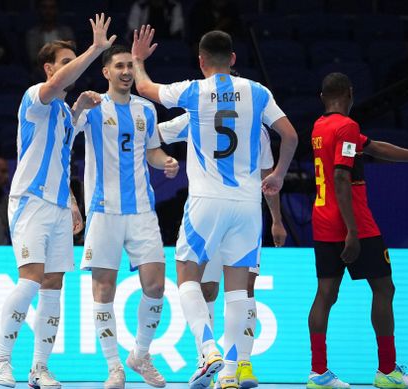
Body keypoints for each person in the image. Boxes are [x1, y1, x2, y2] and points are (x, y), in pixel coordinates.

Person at [132, 26, 298, 389]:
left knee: (187, 275)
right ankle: (231, 371)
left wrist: (140, 61)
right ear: (234, 59)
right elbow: (291, 134)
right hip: (247, 204)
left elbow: (145, 90)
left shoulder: (194, 91)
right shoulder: (258, 93)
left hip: (207, 201)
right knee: (239, 290)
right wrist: (281, 175)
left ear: (201, 61)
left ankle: (208, 350)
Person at [0, 13, 116, 389]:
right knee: (29, 281)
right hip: (30, 202)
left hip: (59, 207)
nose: (69, 69)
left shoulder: (61, 111)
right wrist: (95, 49)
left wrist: (73, 203)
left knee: (53, 286)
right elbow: (60, 83)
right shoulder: (35, 97)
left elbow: (62, 156)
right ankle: (0, 361)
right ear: (48, 68)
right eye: (64, 62)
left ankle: (39, 368)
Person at [307, 72, 408, 389]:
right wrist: (351, 230)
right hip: (356, 224)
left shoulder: (320, 127)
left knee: (325, 294)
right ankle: (387, 371)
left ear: (323, 97)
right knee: (384, 289)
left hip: (322, 222)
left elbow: (376, 148)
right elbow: (340, 178)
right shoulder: (347, 127)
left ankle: (318, 372)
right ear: (350, 94)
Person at [75, 44, 180, 389]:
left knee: (155, 285)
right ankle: (113, 367)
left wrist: (164, 160)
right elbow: (63, 135)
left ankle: (140, 354)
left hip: (141, 210)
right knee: (103, 289)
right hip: (104, 210)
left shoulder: (146, 110)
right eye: (118, 66)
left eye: (129, 66)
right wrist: (77, 107)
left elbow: (150, 151)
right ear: (106, 72)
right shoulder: (93, 106)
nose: (125, 72)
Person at [158, 113, 287, 389]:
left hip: (224, 214)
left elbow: (268, 178)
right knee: (212, 288)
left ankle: (238, 363)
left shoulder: (254, 128)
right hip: (231, 214)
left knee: (240, 287)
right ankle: (212, 362)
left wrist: (276, 219)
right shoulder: (201, 113)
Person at [26, 0, 75, 68]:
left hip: (65, 69)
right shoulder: (33, 34)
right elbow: (34, 58)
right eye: (44, 7)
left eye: (52, 7)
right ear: (39, 10)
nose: (48, 11)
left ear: (56, 10)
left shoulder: (66, 31)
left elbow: (71, 56)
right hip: (40, 70)